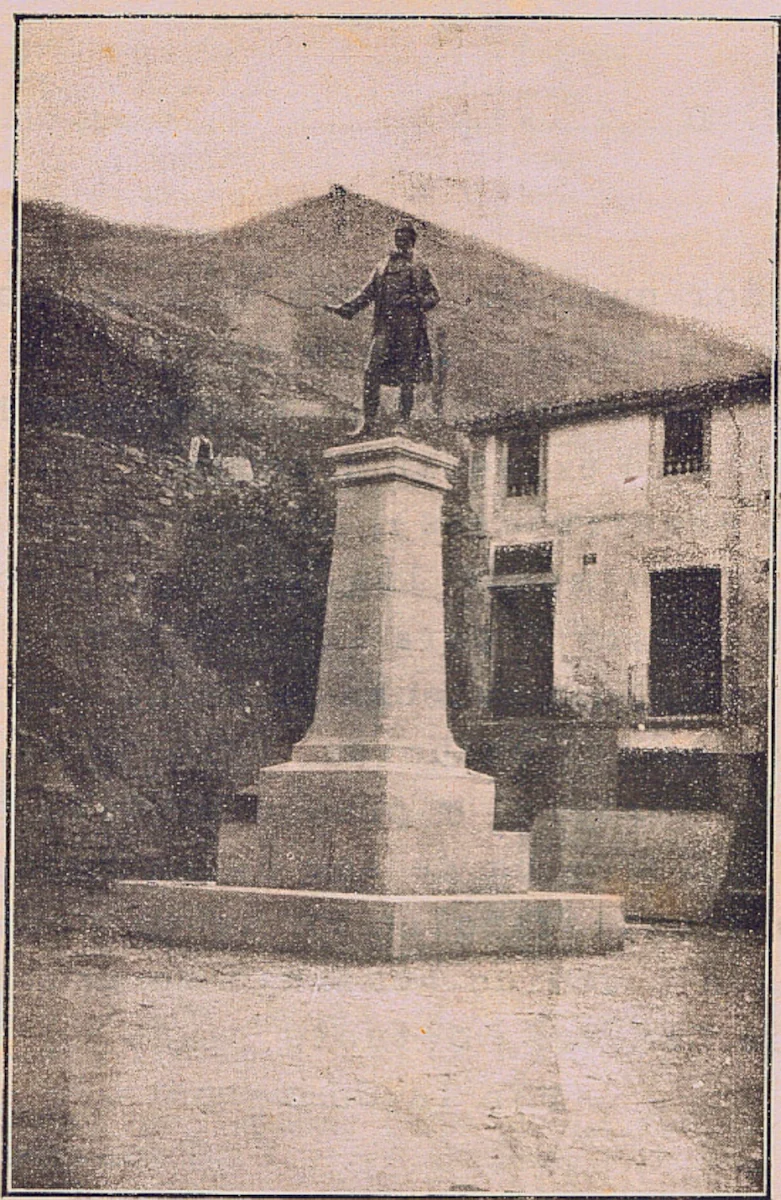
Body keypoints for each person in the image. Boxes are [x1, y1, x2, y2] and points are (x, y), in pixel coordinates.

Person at [325, 221, 440, 437]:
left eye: (404, 239)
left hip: (409, 329)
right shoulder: (383, 266)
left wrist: (415, 300)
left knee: (407, 376)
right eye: (397, 238)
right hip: (385, 328)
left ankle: (403, 423)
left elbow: (434, 296)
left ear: (411, 241)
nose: (399, 242)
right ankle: (368, 422)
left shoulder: (420, 266)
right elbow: (368, 293)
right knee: (371, 371)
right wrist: (346, 308)